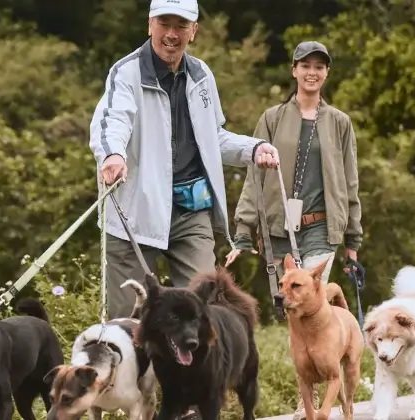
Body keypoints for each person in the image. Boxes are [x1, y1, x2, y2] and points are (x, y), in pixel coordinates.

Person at [89, 0, 280, 321]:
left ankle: (197, 372)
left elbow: (214, 138)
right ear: (150, 25)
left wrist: (254, 147)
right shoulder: (126, 72)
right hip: (135, 212)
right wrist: (112, 154)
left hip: (192, 210)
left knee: (204, 310)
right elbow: (112, 120)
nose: (171, 34)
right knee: (126, 321)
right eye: (164, 24)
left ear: (194, 31)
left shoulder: (201, 74)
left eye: (181, 25)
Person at [225, 40, 363, 416]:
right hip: (279, 229)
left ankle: (323, 396)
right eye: (305, 66)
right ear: (294, 70)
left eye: (320, 66)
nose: (312, 72)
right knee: (289, 308)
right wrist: (243, 228)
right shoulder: (271, 118)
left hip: (321, 227)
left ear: (326, 73)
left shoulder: (339, 122)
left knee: (309, 302)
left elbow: (350, 182)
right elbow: (254, 177)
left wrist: (353, 239)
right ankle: (309, 395)